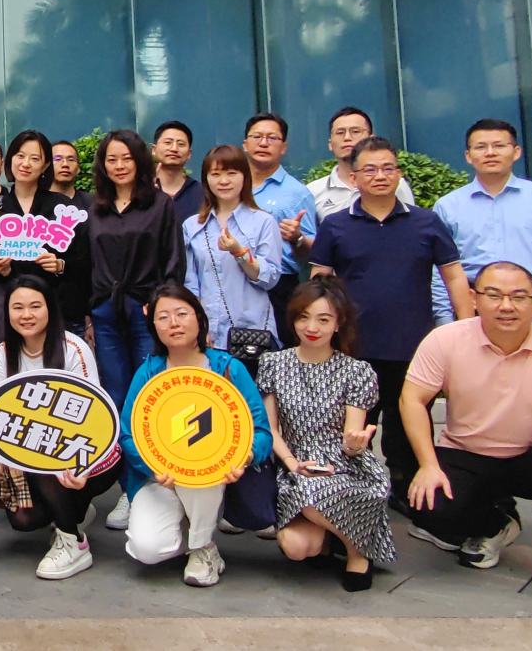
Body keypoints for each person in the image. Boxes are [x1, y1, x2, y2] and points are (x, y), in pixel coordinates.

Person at [309, 136, 473, 505]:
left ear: (399, 174)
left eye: (388, 168)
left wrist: (466, 329)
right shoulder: (335, 225)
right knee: (353, 425)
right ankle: (353, 492)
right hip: (354, 347)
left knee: (407, 425)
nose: (380, 176)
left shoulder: (426, 222)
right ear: (354, 178)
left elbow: (454, 277)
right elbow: (320, 283)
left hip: (413, 345)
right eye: (370, 169)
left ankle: (407, 492)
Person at [402, 262, 532, 606]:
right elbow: (412, 399)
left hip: (531, 453)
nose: (506, 306)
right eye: (494, 295)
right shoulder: (445, 339)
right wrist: (428, 465)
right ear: (474, 299)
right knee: (428, 503)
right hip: (466, 450)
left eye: (519, 297)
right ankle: (494, 526)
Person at [120, 284, 273, 587]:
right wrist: (153, 465)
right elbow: (128, 435)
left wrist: (245, 455)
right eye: (163, 317)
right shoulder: (148, 372)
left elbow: (262, 432)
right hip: (160, 478)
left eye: (181, 313)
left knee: (203, 466)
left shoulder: (228, 368)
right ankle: (190, 533)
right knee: (148, 550)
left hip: (212, 476)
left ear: (199, 318)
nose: (173, 323)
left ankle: (203, 548)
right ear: (153, 327)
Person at [0, 275, 118, 579]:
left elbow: (95, 418)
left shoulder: (73, 348)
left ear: (50, 308)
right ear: (7, 312)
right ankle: (75, 510)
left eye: (35, 306)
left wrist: (82, 465)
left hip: (88, 454)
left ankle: (72, 541)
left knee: (43, 452)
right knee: (24, 519)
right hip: (32, 454)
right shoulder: (4, 352)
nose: (26, 315)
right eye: (18, 307)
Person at [260, 276, 396, 592]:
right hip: (293, 460)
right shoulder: (273, 363)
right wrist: (292, 464)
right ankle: (344, 536)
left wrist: (355, 444)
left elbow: (351, 435)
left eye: (323, 319)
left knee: (321, 491)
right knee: (297, 546)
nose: (312, 327)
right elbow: (270, 429)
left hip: (341, 462)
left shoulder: (355, 371)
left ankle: (356, 551)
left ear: (338, 323)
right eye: (304, 317)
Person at [86, 129, 185, 530]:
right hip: (106, 313)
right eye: (112, 159)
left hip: (146, 311)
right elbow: (87, 262)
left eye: (126, 158)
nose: (119, 166)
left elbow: (173, 261)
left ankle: (155, 485)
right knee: (116, 397)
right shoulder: (95, 208)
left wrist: (163, 305)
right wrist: (91, 311)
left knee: (149, 397)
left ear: (140, 161)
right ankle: (128, 490)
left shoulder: (161, 205)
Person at [0, 130, 90, 403]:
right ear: (10, 160)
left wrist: (59, 264)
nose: (25, 163)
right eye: (20, 156)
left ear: (46, 165)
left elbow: (83, 260)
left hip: (50, 300)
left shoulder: (62, 207)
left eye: (35, 158)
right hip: (3, 300)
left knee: (52, 373)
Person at [432, 119, 532, 331]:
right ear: (468, 156)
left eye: (499, 146)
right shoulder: (447, 206)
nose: (490, 153)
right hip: (475, 303)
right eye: (481, 147)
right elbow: (440, 272)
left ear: (516, 152)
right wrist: (445, 323)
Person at [183, 145, 283, 374]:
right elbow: (190, 284)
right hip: (208, 335)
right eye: (216, 174)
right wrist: (198, 327)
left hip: (251, 333)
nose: (224, 181)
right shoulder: (192, 225)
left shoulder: (263, 222)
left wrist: (240, 252)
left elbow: (270, 278)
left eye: (231, 173)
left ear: (244, 177)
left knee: (249, 394)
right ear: (206, 180)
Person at [243, 113, 317, 347]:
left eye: (272, 138)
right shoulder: (230, 186)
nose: (263, 143)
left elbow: (313, 254)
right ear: (245, 144)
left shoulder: (297, 193)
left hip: (279, 286)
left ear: (283, 147)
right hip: (236, 281)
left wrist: (297, 238)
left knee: (277, 355)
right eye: (257, 137)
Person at [306, 107, 414, 221]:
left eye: (355, 132)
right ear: (330, 144)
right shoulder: (314, 191)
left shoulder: (393, 183)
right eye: (340, 133)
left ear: (371, 139)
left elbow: (409, 224)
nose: (347, 138)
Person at [151, 121, 204, 225]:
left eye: (181, 144)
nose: (174, 149)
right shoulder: (141, 192)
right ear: (154, 149)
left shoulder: (202, 193)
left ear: (189, 153)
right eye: (168, 143)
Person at [50, 140, 93, 209]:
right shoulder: (35, 203)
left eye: (71, 160)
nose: (65, 164)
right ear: (46, 166)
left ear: (78, 168)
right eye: (58, 159)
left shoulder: (93, 203)